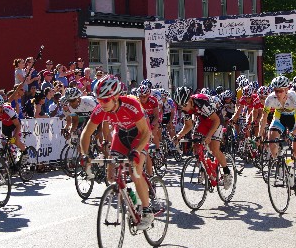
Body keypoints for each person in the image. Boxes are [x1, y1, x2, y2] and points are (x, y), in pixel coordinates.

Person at [79, 75, 154, 230]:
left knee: (135, 171)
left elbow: (146, 132)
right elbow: (86, 133)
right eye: (99, 100)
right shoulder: (100, 109)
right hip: (120, 135)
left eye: (105, 100)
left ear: (115, 97)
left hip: (139, 135)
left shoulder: (131, 105)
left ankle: (147, 211)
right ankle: (133, 198)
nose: (102, 104)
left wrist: (137, 151)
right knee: (111, 175)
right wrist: (84, 155)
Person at [171, 86, 233, 190]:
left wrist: (209, 136)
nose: (184, 108)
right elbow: (188, 125)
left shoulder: (201, 102)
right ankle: (204, 168)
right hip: (203, 119)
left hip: (216, 118)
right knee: (196, 142)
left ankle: (227, 173)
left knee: (214, 149)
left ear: (190, 99)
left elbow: (216, 121)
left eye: (185, 105)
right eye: (181, 106)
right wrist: (179, 135)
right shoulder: (184, 107)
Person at [258, 75, 296, 193]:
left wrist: (292, 134)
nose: (278, 93)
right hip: (279, 119)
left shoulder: (294, 97)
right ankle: (279, 163)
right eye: (275, 90)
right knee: (271, 140)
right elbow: (263, 119)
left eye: (280, 91)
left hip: (295, 121)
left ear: (286, 89)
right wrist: (259, 136)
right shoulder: (270, 99)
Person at [0, 95, 28, 161]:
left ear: (1, 106)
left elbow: (18, 125)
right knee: (4, 143)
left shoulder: (8, 110)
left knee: (15, 141)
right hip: (5, 125)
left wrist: (15, 136)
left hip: (15, 125)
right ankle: (12, 158)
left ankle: (25, 152)